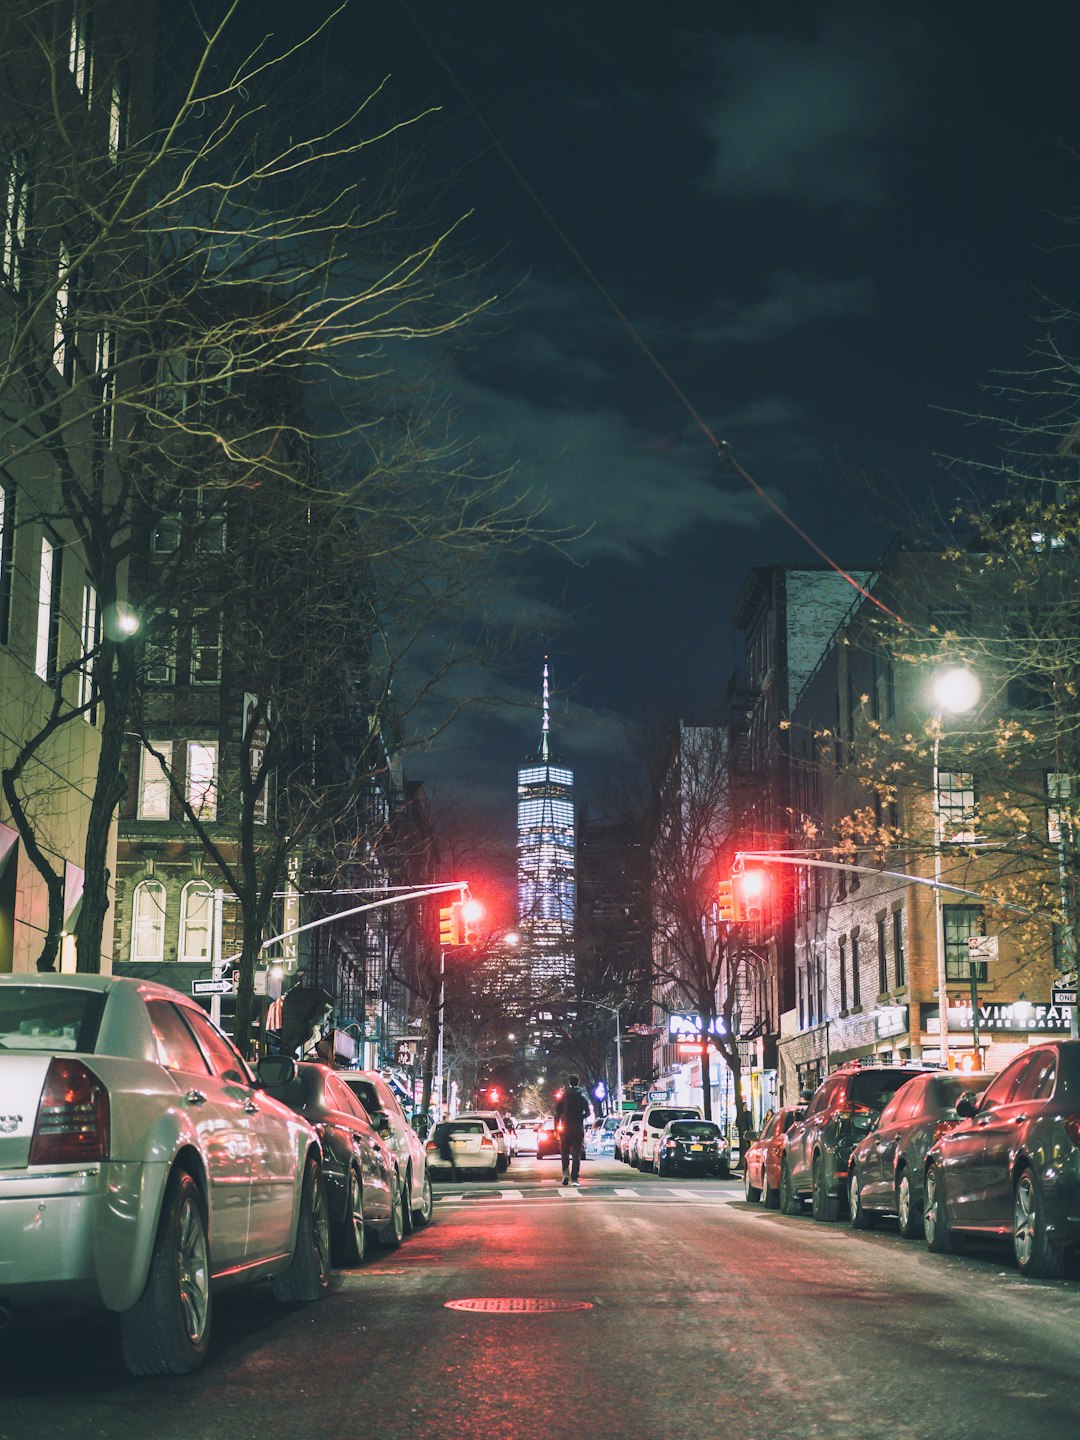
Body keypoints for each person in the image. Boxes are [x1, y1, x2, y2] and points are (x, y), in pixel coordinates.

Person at [553, 1074, 592, 1186]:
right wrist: (580, 1117)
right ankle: (574, 1178)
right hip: (577, 1128)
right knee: (576, 1153)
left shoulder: (564, 1097)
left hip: (565, 1127)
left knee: (564, 1152)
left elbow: (557, 1114)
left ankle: (565, 1173)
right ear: (578, 1083)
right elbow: (588, 1112)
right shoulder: (581, 1096)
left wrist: (556, 1128)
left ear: (569, 1083)